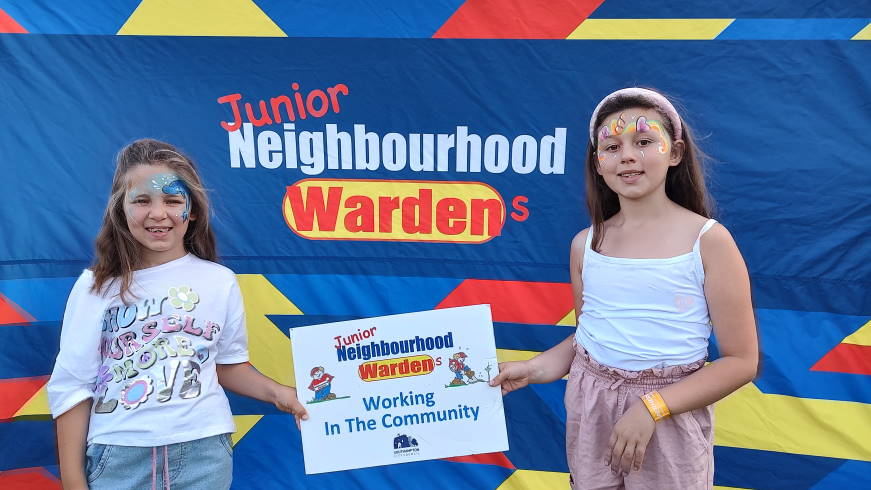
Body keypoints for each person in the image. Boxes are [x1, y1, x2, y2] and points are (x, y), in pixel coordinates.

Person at [490, 88, 758, 489]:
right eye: (611, 146)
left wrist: (651, 407)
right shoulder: (587, 245)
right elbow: (588, 336)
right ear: (597, 163)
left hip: (669, 412)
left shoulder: (708, 241)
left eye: (644, 141)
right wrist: (534, 368)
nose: (627, 155)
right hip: (591, 408)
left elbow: (740, 361)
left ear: (675, 152)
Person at [47, 139, 309, 490]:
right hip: (119, 456)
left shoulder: (219, 282)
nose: (158, 213)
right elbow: (72, 387)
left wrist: (279, 393)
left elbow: (229, 365)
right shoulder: (97, 287)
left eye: (173, 200)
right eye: (142, 200)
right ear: (121, 210)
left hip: (204, 455)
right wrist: (73, 483)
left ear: (193, 209)